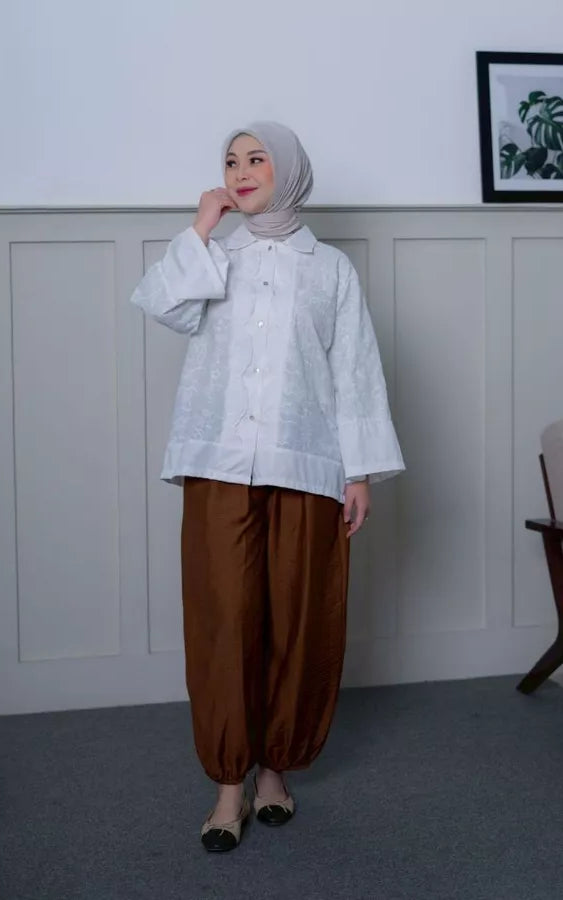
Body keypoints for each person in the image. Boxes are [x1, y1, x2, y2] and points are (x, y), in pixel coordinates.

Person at [129, 121, 405, 852]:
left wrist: (358, 470)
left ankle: (275, 769)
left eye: (257, 159)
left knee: (297, 618)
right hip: (218, 463)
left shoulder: (330, 271)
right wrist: (201, 224)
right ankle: (229, 784)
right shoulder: (212, 253)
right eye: (230, 160)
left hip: (307, 466)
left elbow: (353, 372)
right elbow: (164, 306)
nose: (242, 169)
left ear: (288, 172)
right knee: (223, 620)